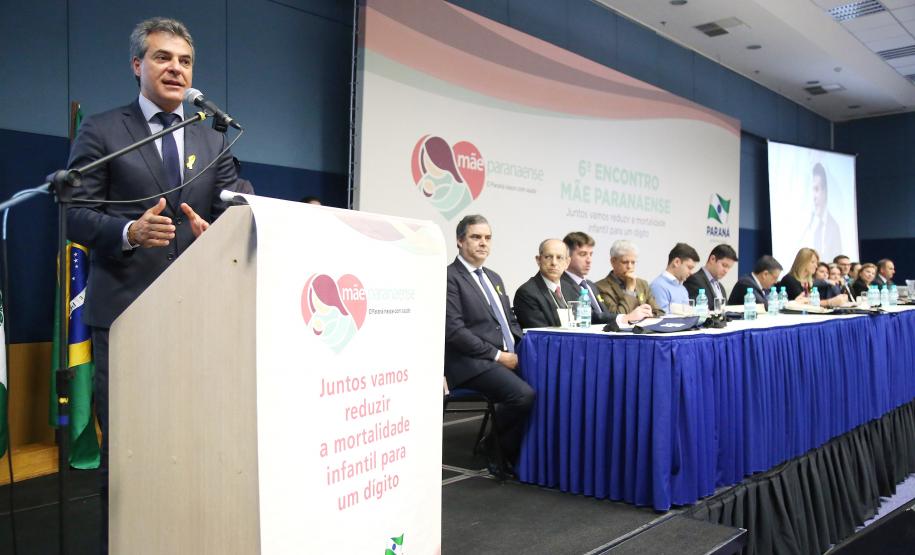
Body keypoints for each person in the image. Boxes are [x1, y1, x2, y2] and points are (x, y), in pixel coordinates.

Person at [66, 18, 239, 552]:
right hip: (126, 319)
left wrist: (224, 228)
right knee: (130, 453)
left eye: (185, 61)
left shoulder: (214, 139)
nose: (176, 69)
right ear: (137, 65)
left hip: (196, 317)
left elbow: (237, 200)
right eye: (163, 58)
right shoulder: (102, 130)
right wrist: (127, 231)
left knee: (190, 447)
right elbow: (73, 211)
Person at [445, 215, 534, 478]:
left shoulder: (493, 277)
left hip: (505, 356)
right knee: (523, 396)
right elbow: (454, 331)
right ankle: (495, 447)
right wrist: (497, 356)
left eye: (487, 238)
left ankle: (513, 451)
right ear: (460, 241)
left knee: (550, 387)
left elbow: (510, 319)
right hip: (470, 362)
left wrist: (518, 346)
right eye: (475, 237)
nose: (483, 243)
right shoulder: (450, 277)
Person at [560, 232, 651, 326]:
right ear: (567, 257)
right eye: (583, 254)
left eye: (591, 254)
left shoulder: (590, 285)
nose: (589, 260)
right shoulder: (561, 284)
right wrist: (625, 317)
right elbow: (591, 317)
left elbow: (605, 315)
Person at [513, 239, 574, 329]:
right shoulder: (527, 293)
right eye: (548, 257)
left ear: (567, 263)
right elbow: (541, 333)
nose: (554, 263)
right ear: (538, 260)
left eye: (559, 257)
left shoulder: (571, 289)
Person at [594, 240, 662, 318]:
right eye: (625, 262)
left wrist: (648, 314)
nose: (629, 266)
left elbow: (658, 311)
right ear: (613, 261)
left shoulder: (642, 284)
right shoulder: (601, 287)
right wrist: (630, 290)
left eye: (633, 262)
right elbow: (617, 316)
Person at [778, 248, 848, 307]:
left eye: (816, 263)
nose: (816, 266)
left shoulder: (808, 282)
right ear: (803, 262)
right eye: (813, 262)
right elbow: (804, 303)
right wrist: (829, 302)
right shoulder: (789, 279)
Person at [801, 162, 842, 259]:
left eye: (816, 189)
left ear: (825, 191)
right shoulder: (806, 224)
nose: (813, 196)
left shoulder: (834, 227)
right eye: (811, 190)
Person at [649, 243, 700, 313]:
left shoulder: (683, 289)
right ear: (676, 262)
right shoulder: (658, 286)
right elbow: (662, 319)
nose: (691, 272)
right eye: (689, 267)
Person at [685, 244, 738, 311]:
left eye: (729, 268)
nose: (726, 270)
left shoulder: (721, 287)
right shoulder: (694, 280)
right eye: (724, 265)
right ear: (712, 259)